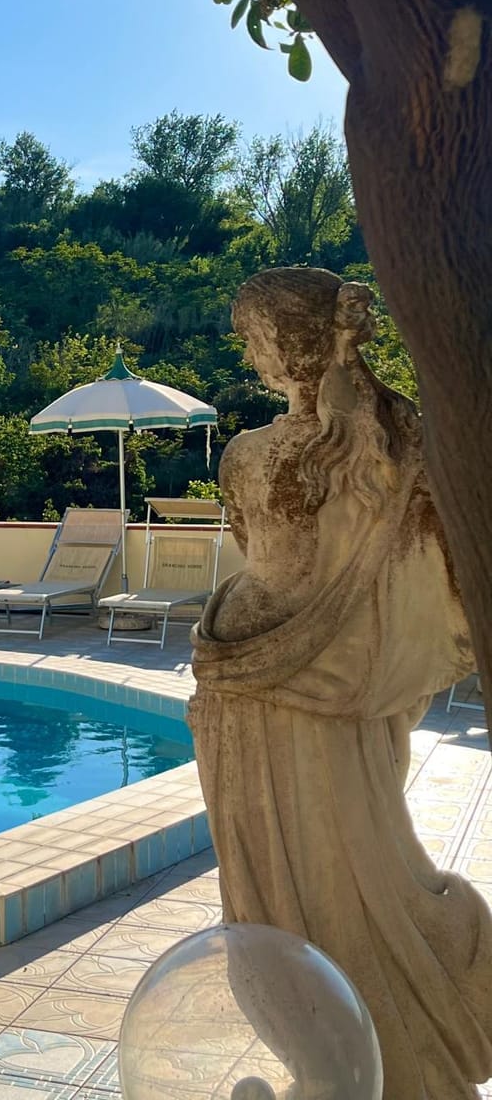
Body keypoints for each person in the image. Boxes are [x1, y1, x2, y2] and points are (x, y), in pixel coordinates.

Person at [190, 267, 492, 1099]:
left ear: (295, 339)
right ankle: (340, 1064)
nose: (248, 351)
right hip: (258, 694)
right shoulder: (337, 449)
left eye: (255, 334)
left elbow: (276, 561)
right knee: (307, 884)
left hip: (300, 697)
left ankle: (377, 1061)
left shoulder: (334, 452)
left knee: (333, 877)